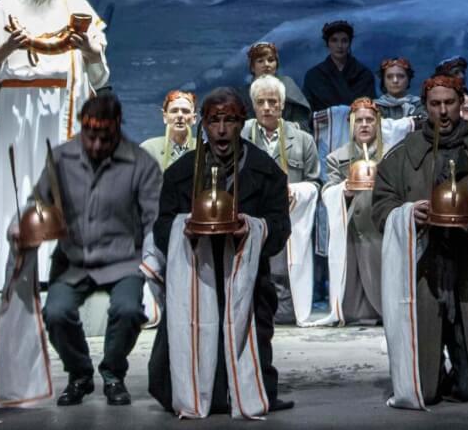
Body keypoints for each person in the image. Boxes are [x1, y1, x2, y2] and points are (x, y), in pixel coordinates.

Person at [372, 73, 468, 409]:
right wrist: (408, 215)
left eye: (450, 103)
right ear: (425, 107)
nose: (443, 111)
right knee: (425, 390)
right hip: (425, 271)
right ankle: (433, 372)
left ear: (462, 106)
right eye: (435, 104)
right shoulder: (402, 156)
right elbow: (380, 207)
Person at [149, 88, 292, 416]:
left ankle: (251, 390)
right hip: (197, 274)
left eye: (230, 120)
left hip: (248, 278)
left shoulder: (265, 171)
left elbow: (280, 226)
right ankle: (195, 391)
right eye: (215, 121)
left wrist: (251, 229)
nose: (223, 129)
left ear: (242, 123)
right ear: (204, 124)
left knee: (252, 337)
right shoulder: (181, 173)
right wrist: (181, 227)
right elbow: (161, 226)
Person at [0, 0, 109, 292]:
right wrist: (7, 47)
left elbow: (99, 71)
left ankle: (63, 265)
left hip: (65, 100)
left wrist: (88, 49)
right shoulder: (5, 9)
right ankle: (14, 263)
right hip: (19, 105)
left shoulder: (76, 7)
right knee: (16, 178)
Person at [38, 94, 161, 408]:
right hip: (74, 259)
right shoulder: (61, 159)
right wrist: (33, 224)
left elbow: (154, 220)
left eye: (103, 138)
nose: (94, 145)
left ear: (118, 127)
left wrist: (150, 263)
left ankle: (113, 374)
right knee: (56, 313)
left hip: (123, 258)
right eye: (89, 136)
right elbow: (38, 204)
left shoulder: (141, 163)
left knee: (129, 310)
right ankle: (79, 374)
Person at [242, 75, 320, 324]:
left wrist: (297, 191)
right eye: (261, 102)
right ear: (253, 105)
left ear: (282, 105)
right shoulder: (241, 137)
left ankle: (283, 312)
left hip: (289, 218)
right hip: (250, 218)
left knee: (283, 270)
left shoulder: (303, 141)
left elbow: (316, 181)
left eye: (272, 102)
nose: (267, 107)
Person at [320, 97, 386, 324]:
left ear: (378, 123)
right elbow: (328, 188)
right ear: (351, 125)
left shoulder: (389, 156)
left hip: (378, 229)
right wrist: (343, 191)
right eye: (359, 121)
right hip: (351, 228)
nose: (365, 125)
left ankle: (383, 311)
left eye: (370, 120)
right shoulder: (336, 158)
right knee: (355, 277)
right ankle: (357, 313)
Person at [301, 20, 376, 113]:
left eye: (344, 41)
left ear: (350, 44)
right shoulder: (313, 76)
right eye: (334, 40)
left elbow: (371, 110)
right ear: (327, 44)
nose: (339, 46)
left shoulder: (364, 75)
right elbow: (307, 112)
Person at [242, 43, 312, 132]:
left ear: (276, 65)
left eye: (271, 60)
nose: (266, 64)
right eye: (260, 61)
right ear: (252, 67)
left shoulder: (287, 85)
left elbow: (303, 120)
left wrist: (294, 126)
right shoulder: (242, 94)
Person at [141, 89, 198, 171]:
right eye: (174, 111)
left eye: (185, 111)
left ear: (194, 118)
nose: (179, 115)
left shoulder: (203, 150)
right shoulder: (149, 149)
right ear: (165, 117)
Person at [375, 57, 424, 125]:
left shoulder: (420, 104)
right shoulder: (374, 107)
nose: (395, 80)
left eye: (400, 76)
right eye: (389, 77)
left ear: (408, 79)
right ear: (384, 81)